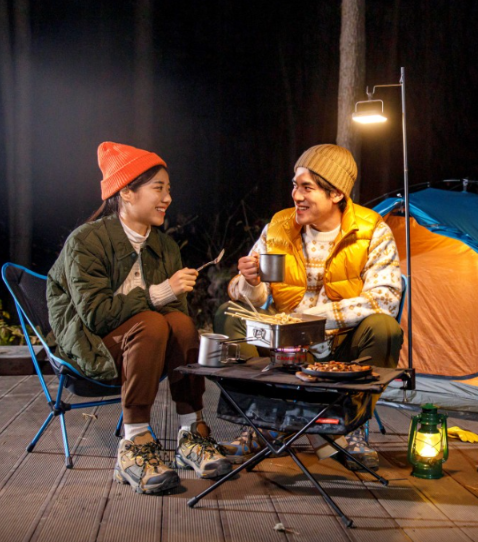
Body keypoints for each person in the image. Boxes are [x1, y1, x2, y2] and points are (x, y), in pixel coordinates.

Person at [47, 142, 231, 495]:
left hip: (148, 346)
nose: (167, 198)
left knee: (181, 324)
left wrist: (169, 301)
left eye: (169, 189)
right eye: (158, 188)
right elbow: (96, 316)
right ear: (126, 192)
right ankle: (135, 445)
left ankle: (192, 434)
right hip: (92, 347)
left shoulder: (165, 246)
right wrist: (160, 292)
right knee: (152, 321)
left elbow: (176, 317)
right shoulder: (86, 241)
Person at [214, 143, 403, 470]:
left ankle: (350, 427)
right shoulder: (279, 227)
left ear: (336, 194)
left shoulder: (372, 230)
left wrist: (309, 320)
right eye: (294, 185)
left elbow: (385, 299)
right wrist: (251, 281)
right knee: (229, 315)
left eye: (307, 187)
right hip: (284, 345)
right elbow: (248, 297)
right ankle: (260, 422)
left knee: (385, 328)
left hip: (341, 344)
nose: (296, 195)